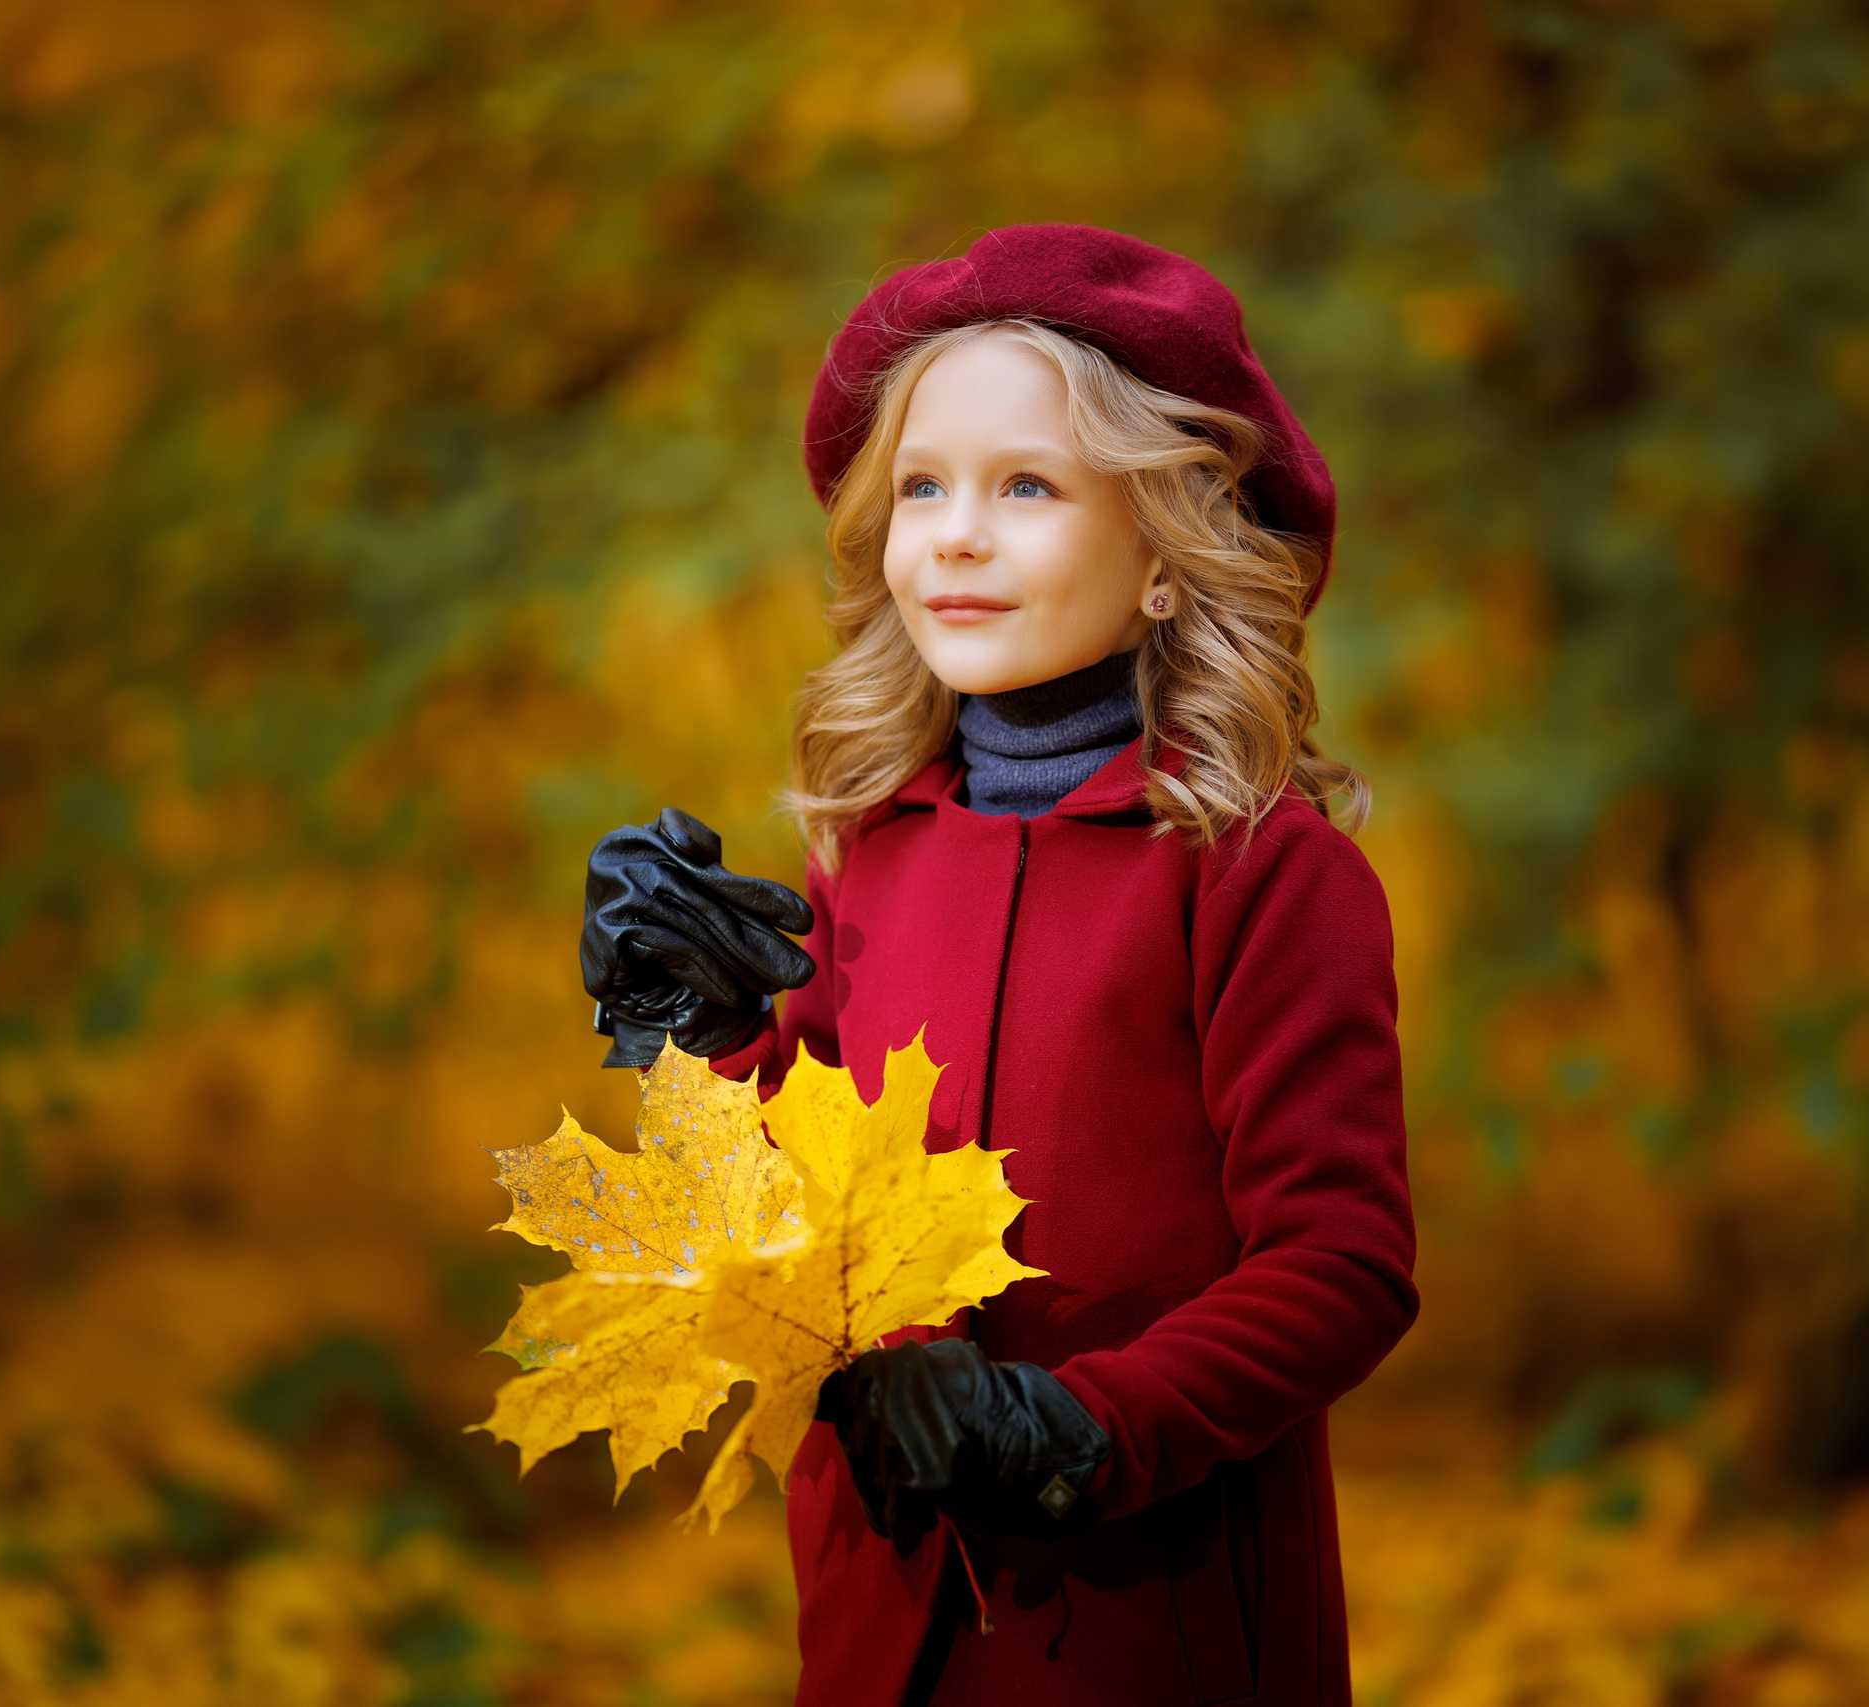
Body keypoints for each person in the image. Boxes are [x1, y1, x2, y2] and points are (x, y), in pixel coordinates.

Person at [579, 224, 1419, 1707]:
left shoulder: (1259, 873)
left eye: (1026, 487)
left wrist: (1076, 1430)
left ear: (1169, 553)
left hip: (1146, 1611)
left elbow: (1340, 1265)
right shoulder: (870, 851)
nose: (956, 533)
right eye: (923, 487)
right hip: (879, 1607)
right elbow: (800, 1222)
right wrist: (700, 1036)